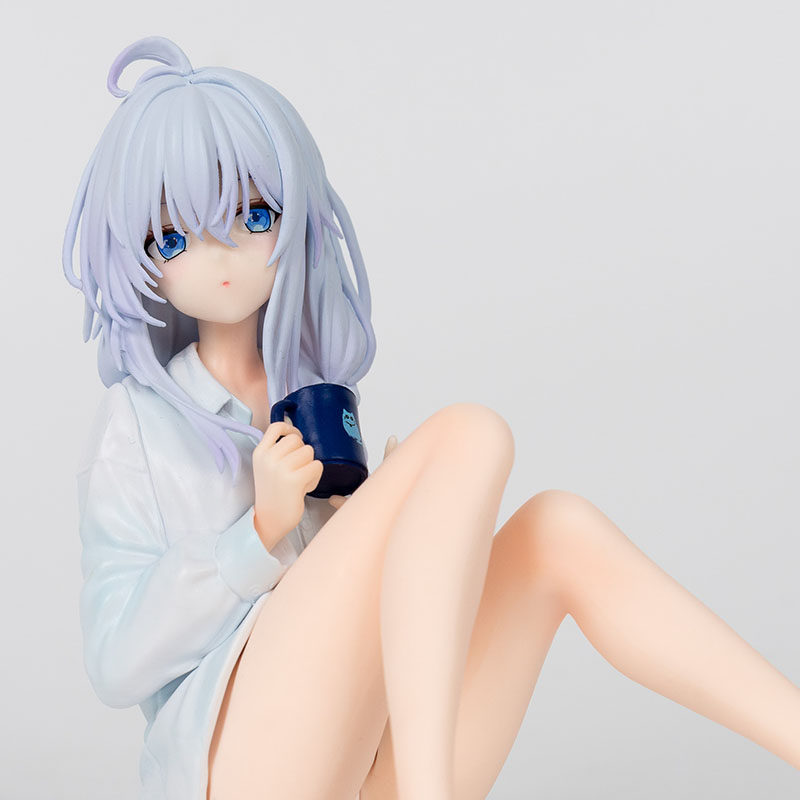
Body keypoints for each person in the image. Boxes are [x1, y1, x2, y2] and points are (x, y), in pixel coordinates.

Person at [64, 35, 800, 800]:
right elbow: (114, 664)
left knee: (556, 531)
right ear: (138, 257)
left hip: (359, 767)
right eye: (175, 237)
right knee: (468, 433)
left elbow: (344, 631)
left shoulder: (310, 399)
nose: (224, 257)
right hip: (239, 774)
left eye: (254, 215)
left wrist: (371, 524)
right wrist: (255, 536)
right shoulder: (137, 424)